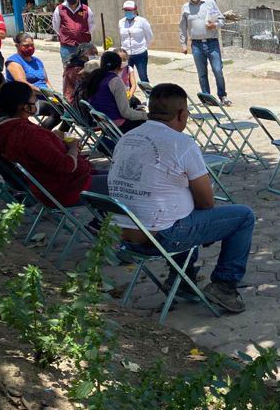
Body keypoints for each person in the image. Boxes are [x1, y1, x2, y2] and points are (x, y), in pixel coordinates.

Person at [107, 83, 255, 313]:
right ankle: (224, 286)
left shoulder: (127, 138)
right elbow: (206, 202)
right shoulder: (181, 143)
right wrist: (208, 229)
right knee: (244, 216)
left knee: (181, 207)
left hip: (123, 237)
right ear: (181, 114)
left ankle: (183, 279)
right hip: (160, 238)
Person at [0, 82, 106, 206]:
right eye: (34, 98)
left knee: (113, 176)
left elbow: (43, 152)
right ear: (25, 107)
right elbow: (65, 166)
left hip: (59, 183)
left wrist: (55, 138)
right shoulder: (27, 133)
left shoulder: (11, 129)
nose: (37, 101)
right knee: (118, 184)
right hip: (68, 188)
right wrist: (73, 147)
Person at [178, 0, 229, 105]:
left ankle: (222, 96)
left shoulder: (210, 3)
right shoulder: (185, 7)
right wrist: (183, 44)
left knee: (217, 70)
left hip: (212, 43)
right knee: (202, 73)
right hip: (196, 45)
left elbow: (222, 19)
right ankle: (207, 98)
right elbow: (182, 27)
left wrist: (215, 25)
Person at [79, 50, 147, 133]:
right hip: (116, 125)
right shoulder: (115, 80)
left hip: (103, 123)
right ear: (119, 66)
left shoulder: (94, 77)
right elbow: (125, 113)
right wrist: (146, 115)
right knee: (149, 123)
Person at [51, 0, 94, 66]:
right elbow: (56, 26)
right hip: (67, 47)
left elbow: (91, 26)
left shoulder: (86, 9)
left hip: (84, 46)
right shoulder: (59, 9)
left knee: (85, 69)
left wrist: (81, 34)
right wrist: (66, 36)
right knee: (69, 70)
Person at [119, 0, 153, 83]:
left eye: (129, 10)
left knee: (143, 76)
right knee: (126, 76)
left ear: (135, 10)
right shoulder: (121, 22)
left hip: (140, 53)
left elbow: (149, 36)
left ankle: (148, 91)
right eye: (126, 10)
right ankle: (129, 91)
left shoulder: (142, 21)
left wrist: (143, 46)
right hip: (126, 54)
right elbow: (122, 37)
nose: (127, 12)